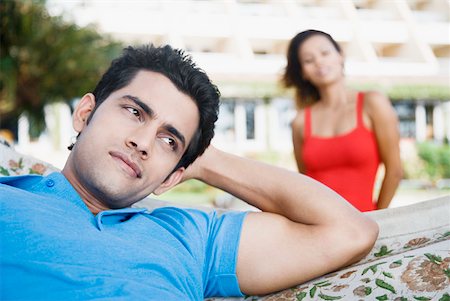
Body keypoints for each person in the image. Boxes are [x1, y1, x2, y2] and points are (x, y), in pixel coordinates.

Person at [0, 44, 378, 300]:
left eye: (169, 141)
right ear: (85, 114)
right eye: (134, 112)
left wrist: (206, 160)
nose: (143, 142)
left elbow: (348, 231)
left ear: (173, 177)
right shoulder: (8, 199)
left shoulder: (193, 236)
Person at [282, 29, 403, 212]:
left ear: (340, 56)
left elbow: (394, 171)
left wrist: (378, 218)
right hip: (313, 227)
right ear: (303, 72)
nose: (319, 62)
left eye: (325, 53)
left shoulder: (372, 104)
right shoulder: (300, 122)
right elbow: (305, 183)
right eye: (308, 60)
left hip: (364, 225)